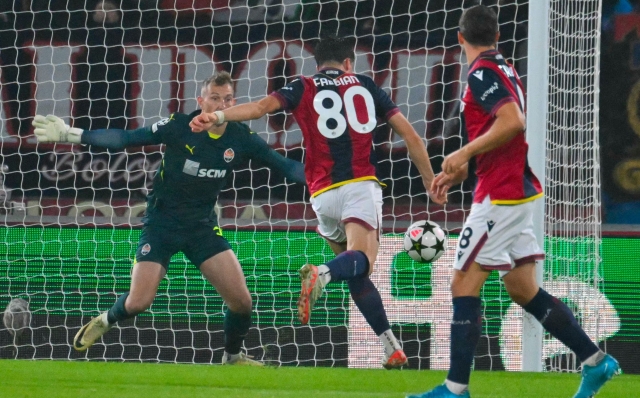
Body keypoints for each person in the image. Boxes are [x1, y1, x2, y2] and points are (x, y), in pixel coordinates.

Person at [190, 36, 447, 369]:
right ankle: (321, 274)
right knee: (363, 261)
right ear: (348, 63)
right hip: (358, 185)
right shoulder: (366, 85)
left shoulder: (302, 85)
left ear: (318, 63)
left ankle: (391, 348)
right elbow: (410, 136)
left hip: (321, 195)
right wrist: (429, 180)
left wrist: (220, 115)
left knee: (355, 272)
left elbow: (258, 109)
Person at [408, 5, 620, 398]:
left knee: (462, 284)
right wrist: (462, 168)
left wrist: (464, 152)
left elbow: (512, 122)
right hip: (513, 189)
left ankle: (455, 389)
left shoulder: (484, 72)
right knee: (522, 288)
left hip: (501, 196)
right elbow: (502, 135)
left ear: (460, 37)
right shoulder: (503, 67)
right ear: (497, 36)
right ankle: (596, 362)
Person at [32, 71, 306, 366]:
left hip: (201, 227)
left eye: (227, 99)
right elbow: (126, 138)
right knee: (139, 302)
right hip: (161, 224)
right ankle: (106, 319)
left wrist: (332, 177)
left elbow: (287, 167)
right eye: (214, 98)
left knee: (242, 303)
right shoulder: (179, 126)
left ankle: (232, 357)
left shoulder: (242, 138)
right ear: (201, 101)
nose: (221, 104)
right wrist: (72, 134)